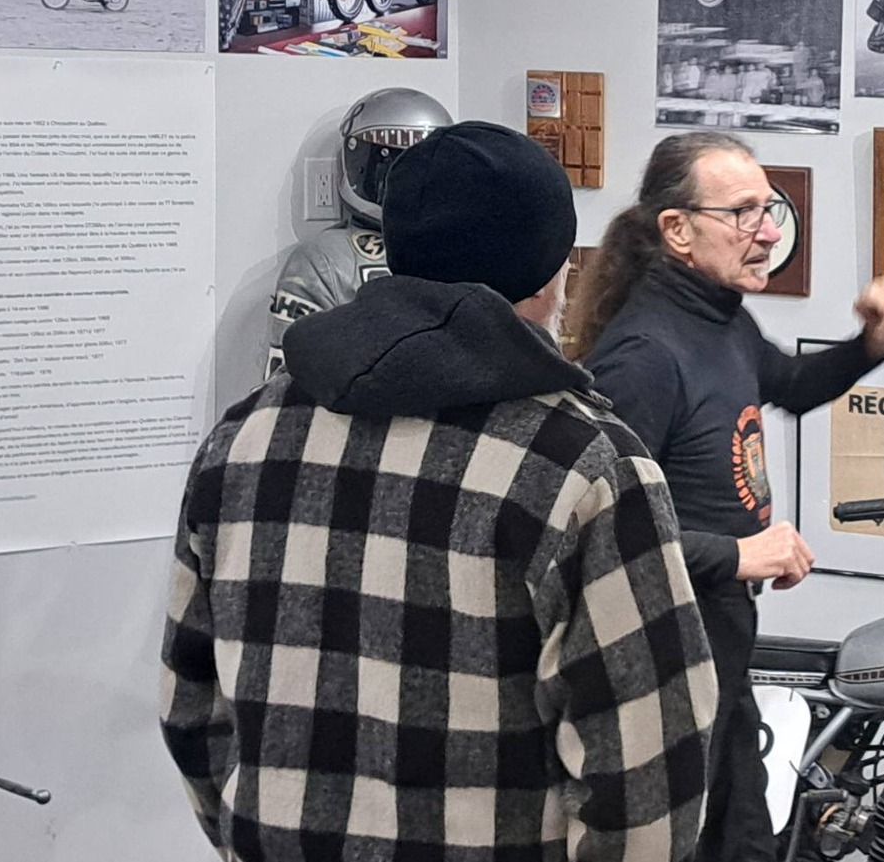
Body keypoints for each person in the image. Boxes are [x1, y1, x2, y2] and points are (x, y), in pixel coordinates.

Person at [162, 122, 717, 861]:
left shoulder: (241, 441)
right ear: (553, 274)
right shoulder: (586, 467)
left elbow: (192, 713)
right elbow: (649, 776)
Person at [578, 131, 884, 862]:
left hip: (717, 655)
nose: (767, 233)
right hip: (663, 668)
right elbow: (599, 534)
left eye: (770, 210)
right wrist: (738, 552)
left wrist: (870, 345)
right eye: (744, 214)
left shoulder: (721, 317)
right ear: (677, 229)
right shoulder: (645, 356)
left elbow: (788, 385)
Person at [267, 87, 453, 378]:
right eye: (389, 165)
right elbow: (286, 379)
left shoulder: (463, 246)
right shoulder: (325, 260)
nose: (405, 185)